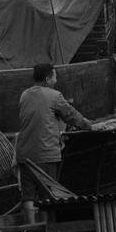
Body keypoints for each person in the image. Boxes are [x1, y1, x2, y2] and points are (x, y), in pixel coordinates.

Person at [14, 63, 95, 223]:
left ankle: (32, 229)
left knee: (28, 195)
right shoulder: (54, 96)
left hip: (24, 154)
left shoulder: (24, 95)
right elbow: (72, 116)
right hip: (46, 155)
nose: (56, 80)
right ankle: (47, 230)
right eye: (55, 76)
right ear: (47, 78)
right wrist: (89, 125)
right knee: (48, 195)